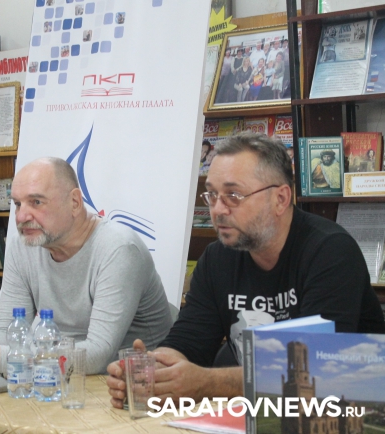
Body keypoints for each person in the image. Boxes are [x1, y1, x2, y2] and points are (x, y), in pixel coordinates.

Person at [107, 132, 385, 404]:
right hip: (259, 413)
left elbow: (317, 368)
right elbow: (188, 343)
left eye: (233, 195)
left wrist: (207, 383)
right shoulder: (217, 258)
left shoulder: (330, 252)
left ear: (280, 199)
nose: (218, 210)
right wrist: (152, 372)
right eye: (212, 195)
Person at [0, 157, 173, 377]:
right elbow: (6, 329)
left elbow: (98, 354)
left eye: (36, 202)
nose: (21, 216)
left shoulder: (119, 249)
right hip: (52, 375)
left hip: (127, 382)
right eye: (18, 204)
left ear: (74, 203)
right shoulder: (24, 245)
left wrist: (2, 359)